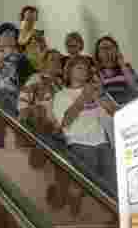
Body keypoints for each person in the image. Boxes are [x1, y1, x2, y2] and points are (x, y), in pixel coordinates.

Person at [51, 55, 119, 188]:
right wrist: (83, 97)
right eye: (79, 67)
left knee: (113, 189)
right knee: (90, 188)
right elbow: (64, 122)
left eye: (86, 68)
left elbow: (116, 112)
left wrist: (101, 95)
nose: (84, 71)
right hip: (80, 145)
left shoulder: (95, 91)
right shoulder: (61, 95)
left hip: (103, 144)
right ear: (69, 71)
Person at [0, 23, 32, 114]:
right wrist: (1, 58)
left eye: (12, 36)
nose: (9, 38)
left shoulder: (20, 56)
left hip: (13, 94)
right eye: (6, 35)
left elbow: (24, 77)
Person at [94, 36, 138, 105]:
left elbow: (135, 87)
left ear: (116, 50)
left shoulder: (126, 67)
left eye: (110, 47)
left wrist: (122, 65)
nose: (107, 51)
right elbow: (100, 95)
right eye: (103, 48)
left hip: (128, 102)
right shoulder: (96, 72)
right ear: (98, 53)